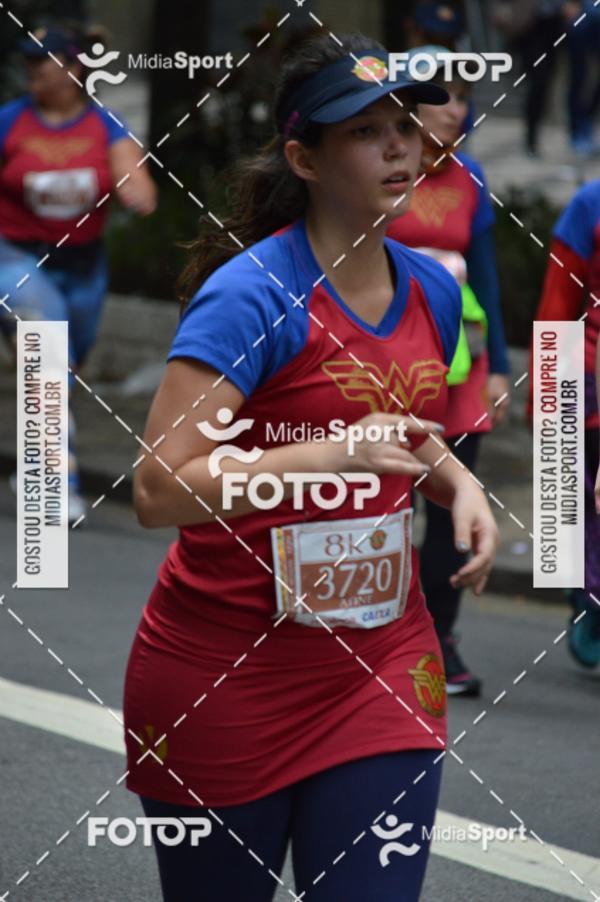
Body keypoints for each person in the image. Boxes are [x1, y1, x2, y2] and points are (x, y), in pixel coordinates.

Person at [125, 34, 499, 902]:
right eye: (366, 131)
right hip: (227, 671)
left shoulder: (434, 289)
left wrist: (461, 484)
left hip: (381, 665)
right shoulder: (253, 296)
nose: (400, 146)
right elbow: (157, 487)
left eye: (405, 124)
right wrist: (328, 454)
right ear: (305, 159)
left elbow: (402, 428)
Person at [387, 46, 511, 697]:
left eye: (464, 98)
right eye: (443, 97)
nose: (455, 110)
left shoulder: (471, 176)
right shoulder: (382, 167)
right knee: (386, 504)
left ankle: (441, 638)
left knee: (452, 507)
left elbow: (486, 279)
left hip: (462, 369)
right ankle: (382, 637)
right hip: (386, 366)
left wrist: (501, 368)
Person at [0, 23, 156, 522]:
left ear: (73, 68)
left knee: (65, 371)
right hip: (16, 258)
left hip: (83, 266)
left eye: (43, 60)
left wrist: (134, 187)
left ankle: (35, 461)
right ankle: (53, 486)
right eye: (28, 60)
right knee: (47, 358)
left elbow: (135, 174)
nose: (33, 69)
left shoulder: (104, 125)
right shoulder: (9, 121)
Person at [529, 178, 600, 667]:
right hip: (588, 380)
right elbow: (557, 305)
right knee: (576, 504)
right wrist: (543, 395)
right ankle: (586, 601)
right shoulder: (589, 205)